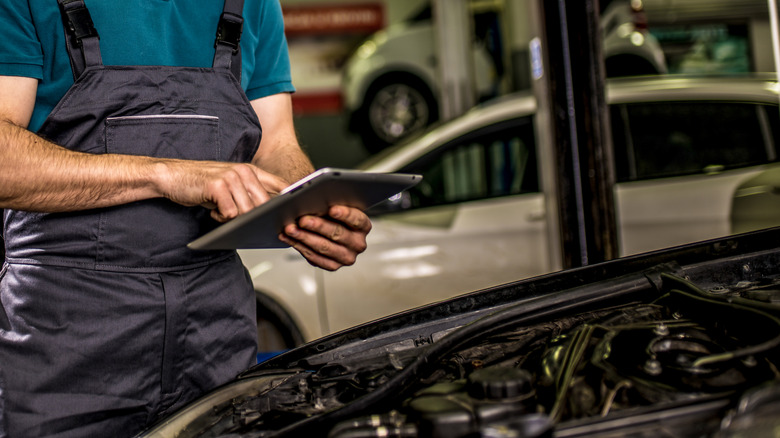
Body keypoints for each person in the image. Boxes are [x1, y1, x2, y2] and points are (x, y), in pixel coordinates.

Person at [0, 0, 372, 436]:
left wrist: (308, 204)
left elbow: (275, 145)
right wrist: (166, 173)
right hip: (66, 331)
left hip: (214, 325)